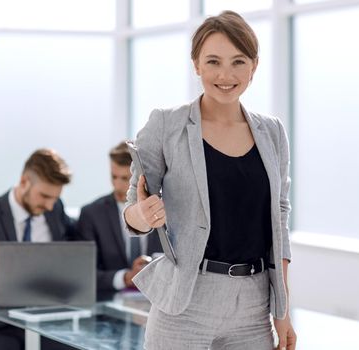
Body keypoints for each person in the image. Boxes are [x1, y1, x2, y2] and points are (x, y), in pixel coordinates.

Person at [124, 10, 297, 350]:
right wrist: (142, 216)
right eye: (213, 61)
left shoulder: (272, 132)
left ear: (254, 66)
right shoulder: (165, 125)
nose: (225, 75)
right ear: (196, 65)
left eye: (238, 62)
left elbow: (279, 219)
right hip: (185, 303)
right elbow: (133, 209)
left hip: (252, 306)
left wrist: (282, 309)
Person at [0, 148, 77, 350]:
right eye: (44, 196)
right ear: (24, 182)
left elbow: (75, 251)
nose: (49, 205)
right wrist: (31, 285)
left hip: (48, 322)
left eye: (54, 198)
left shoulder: (54, 210)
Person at [78, 141, 162, 292]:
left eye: (125, 179)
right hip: (109, 303)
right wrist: (126, 277)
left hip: (158, 300)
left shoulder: (162, 208)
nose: (117, 185)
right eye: (113, 176)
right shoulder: (91, 214)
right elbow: (84, 273)